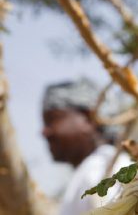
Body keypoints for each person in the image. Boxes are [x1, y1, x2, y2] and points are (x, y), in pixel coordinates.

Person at [42, 78, 132, 215]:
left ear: (88, 119)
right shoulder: (89, 170)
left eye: (52, 120)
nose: (45, 132)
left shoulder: (101, 169)